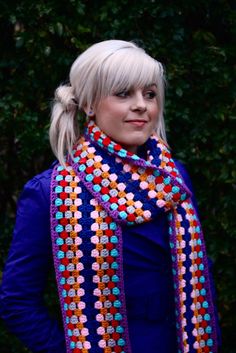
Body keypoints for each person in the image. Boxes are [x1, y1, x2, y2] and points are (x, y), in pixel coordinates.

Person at [0, 40, 220, 353]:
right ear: (89, 104)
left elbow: (198, 276)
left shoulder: (174, 179)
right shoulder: (49, 193)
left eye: (150, 94)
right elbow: (17, 302)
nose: (141, 105)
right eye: (123, 93)